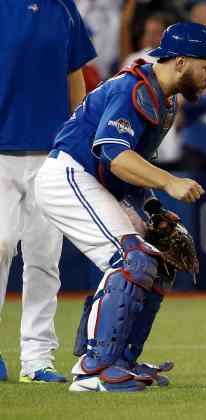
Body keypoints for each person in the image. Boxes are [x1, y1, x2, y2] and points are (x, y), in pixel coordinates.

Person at [34, 22, 206, 392]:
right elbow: (115, 154)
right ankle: (94, 370)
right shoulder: (133, 88)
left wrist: (151, 207)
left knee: (157, 262)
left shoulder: (165, 100)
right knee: (129, 259)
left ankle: (121, 359)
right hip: (68, 175)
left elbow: (133, 164)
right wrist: (168, 182)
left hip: (97, 182)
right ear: (181, 62)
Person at [0, 0, 96, 383]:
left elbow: (76, 75)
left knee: (44, 257)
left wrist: (81, 136)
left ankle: (37, 360)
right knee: (1, 244)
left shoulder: (63, 7)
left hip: (51, 153)